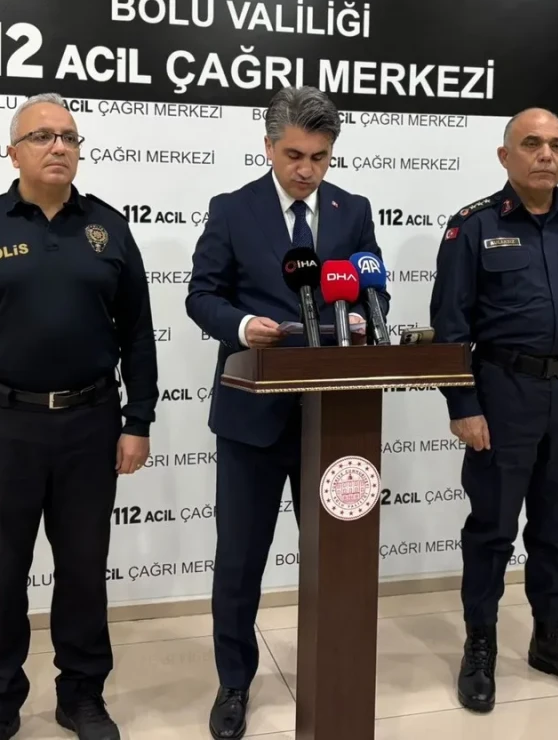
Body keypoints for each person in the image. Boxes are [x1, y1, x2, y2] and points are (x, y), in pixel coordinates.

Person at [0, 93, 157, 740]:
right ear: (13, 153)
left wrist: (138, 420)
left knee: (83, 572)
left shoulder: (109, 229)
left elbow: (137, 334)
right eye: (43, 136)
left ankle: (81, 696)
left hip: (91, 423)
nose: (59, 146)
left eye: (70, 137)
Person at [186, 86, 387, 739]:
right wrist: (243, 326)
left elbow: (373, 287)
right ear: (269, 146)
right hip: (252, 416)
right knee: (240, 560)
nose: (306, 170)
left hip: (334, 419)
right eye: (295, 155)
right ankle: (234, 682)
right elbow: (202, 296)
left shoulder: (353, 210)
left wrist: (365, 317)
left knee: (336, 557)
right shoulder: (233, 209)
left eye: (319, 157)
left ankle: (331, 668)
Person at [430, 107, 558, 714]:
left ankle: (551, 638)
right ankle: (481, 644)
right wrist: (463, 403)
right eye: (532, 143)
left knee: (557, 525)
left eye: (556, 145)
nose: (546, 154)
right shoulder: (473, 226)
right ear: (505, 155)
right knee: (491, 528)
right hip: (503, 393)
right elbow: (450, 326)